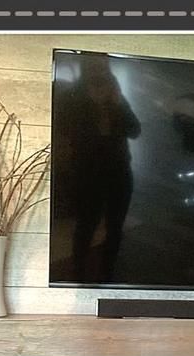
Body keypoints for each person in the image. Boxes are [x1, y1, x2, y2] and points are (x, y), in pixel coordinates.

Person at [61, 55, 141, 282]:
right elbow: (68, 134)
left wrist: (117, 105)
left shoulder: (115, 97)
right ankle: (78, 275)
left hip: (120, 172)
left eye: (104, 67)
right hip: (88, 175)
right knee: (86, 225)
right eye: (96, 67)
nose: (102, 72)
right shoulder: (72, 99)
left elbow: (135, 130)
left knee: (116, 227)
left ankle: (108, 274)